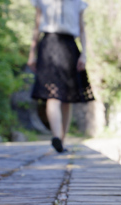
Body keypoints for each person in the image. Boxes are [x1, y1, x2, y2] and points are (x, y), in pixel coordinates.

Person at [27, 0, 95, 153]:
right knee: (53, 94)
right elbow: (37, 27)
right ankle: (57, 137)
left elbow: (82, 29)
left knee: (67, 97)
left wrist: (84, 54)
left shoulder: (78, 3)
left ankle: (60, 140)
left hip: (69, 47)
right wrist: (32, 54)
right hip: (49, 46)